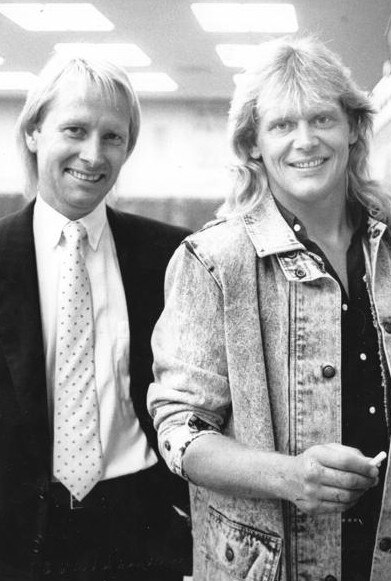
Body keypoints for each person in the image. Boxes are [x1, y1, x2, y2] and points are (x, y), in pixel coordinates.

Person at [148, 35, 391, 580]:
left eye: (322, 119)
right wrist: (288, 476)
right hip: (269, 564)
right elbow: (180, 431)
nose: (305, 141)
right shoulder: (213, 260)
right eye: (282, 125)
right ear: (253, 145)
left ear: (353, 127)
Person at [0, 53, 192, 580]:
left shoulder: (172, 256)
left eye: (113, 137)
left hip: (143, 524)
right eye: (75, 129)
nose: (93, 153)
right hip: (17, 532)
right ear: (35, 132)